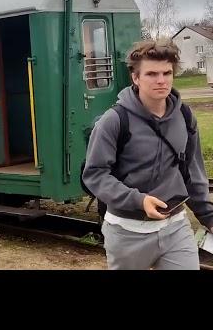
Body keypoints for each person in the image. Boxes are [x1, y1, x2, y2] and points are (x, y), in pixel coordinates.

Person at [82, 38, 213, 270]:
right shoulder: (114, 121)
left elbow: (192, 171)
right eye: (151, 74)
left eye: (167, 73)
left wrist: (207, 216)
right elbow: (95, 175)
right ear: (135, 77)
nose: (161, 80)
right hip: (127, 232)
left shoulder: (184, 116)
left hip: (175, 227)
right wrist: (138, 200)